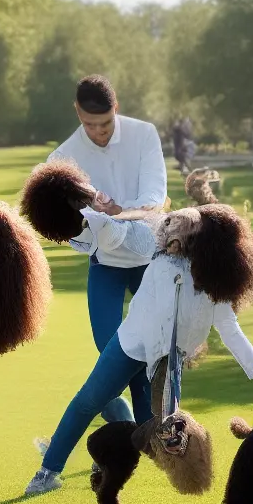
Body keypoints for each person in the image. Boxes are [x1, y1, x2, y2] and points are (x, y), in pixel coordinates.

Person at [26, 202, 253, 495]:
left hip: (168, 360)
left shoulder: (215, 282)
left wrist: (251, 362)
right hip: (131, 345)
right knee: (89, 401)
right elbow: (139, 223)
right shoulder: (162, 263)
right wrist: (95, 219)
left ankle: (113, 458)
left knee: (159, 429)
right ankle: (48, 470)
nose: (174, 233)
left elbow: (227, 324)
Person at [44, 75, 167, 430]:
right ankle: (125, 419)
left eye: (106, 123)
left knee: (154, 346)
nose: (98, 131)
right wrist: (89, 221)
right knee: (109, 349)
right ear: (76, 112)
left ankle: (151, 424)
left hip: (150, 259)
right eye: (89, 124)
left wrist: (115, 212)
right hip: (106, 262)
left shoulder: (144, 134)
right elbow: (59, 222)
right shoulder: (63, 157)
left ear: (117, 108)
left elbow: (154, 199)